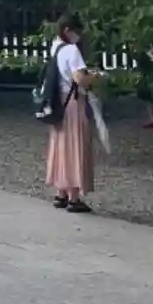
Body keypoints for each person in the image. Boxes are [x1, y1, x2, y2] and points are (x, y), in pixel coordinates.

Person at [46, 16, 99, 213]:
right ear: (68, 30)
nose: (79, 35)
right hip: (73, 102)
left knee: (60, 146)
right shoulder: (71, 50)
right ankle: (73, 197)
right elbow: (80, 79)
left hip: (57, 102)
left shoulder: (55, 47)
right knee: (76, 146)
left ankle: (60, 193)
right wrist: (95, 76)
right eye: (77, 31)